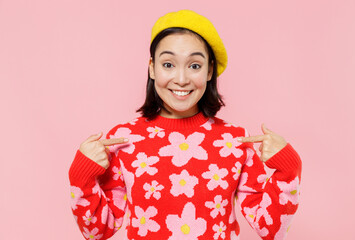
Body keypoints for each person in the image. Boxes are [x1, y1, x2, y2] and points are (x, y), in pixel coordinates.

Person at [69, 9, 302, 240]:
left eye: (194, 66)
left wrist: (288, 168)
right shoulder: (124, 139)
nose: (181, 79)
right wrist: (82, 175)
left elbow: (271, 228)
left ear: (210, 70)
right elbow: (97, 231)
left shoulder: (235, 140)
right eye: (168, 64)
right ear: (152, 67)